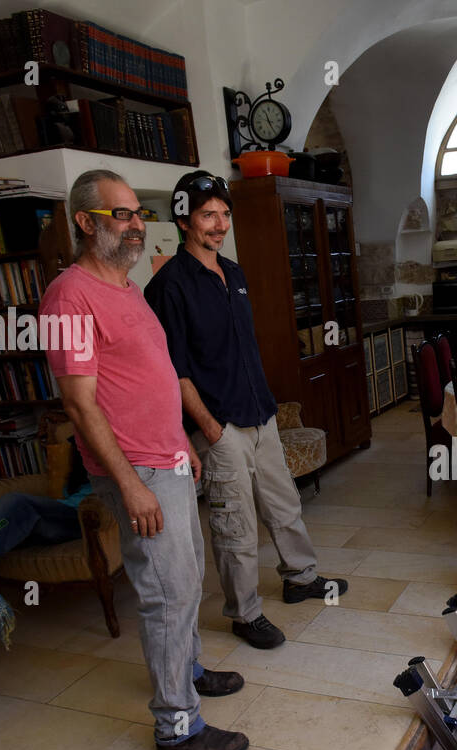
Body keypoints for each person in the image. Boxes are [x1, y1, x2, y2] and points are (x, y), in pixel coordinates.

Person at [42, 168, 248, 750]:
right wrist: (131, 484)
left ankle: (187, 670)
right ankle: (177, 726)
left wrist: (181, 442)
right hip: (135, 471)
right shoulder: (68, 296)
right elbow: (80, 404)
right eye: (121, 215)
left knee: (188, 579)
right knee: (166, 593)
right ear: (85, 222)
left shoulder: (129, 287)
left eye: (138, 214)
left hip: (168, 458)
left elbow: (147, 376)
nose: (136, 226)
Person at [144, 170, 346, 650]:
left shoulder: (233, 273)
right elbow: (176, 372)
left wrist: (267, 408)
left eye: (224, 215)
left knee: (284, 503)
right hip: (220, 425)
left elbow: (242, 348)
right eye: (208, 214)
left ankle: (301, 577)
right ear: (184, 218)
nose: (219, 224)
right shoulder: (168, 287)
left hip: (260, 410)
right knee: (234, 522)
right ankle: (244, 612)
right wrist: (211, 430)